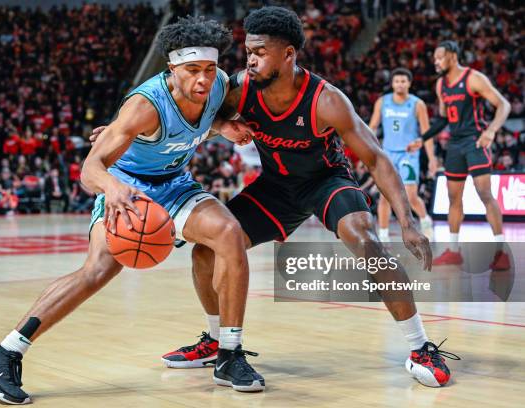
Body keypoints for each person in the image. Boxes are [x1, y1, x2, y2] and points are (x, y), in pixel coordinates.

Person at [157, 7, 459, 388]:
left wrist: (409, 223)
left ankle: (420, 346)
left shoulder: (326, 100)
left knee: (366, 241)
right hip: (276, 187)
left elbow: (377, 160)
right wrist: (132, 129)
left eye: (261, 51)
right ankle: (217, 343)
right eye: (249, 50)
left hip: (325, 181)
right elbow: (191, 118)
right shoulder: (239, 88)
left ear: (288, 54)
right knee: (206, 249)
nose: (251, 58)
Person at [0, 16, 263, 405]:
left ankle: (227, 352)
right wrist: (112, 187)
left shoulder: (219, 86)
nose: (203, 80)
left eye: (209, 69)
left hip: (174, 183)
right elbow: (89, 169)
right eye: (192, 70)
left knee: (227, 233)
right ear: (172, 69)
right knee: (99, 270)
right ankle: (4, 352)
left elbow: (211, 118)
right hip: (129, 186)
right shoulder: (144, 105)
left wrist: (223, 126)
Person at [422, 41, 511, 268]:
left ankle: (501, 253)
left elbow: (503, 105)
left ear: (452, 56)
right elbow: (443, 118)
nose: (436, 62)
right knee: (454, 199)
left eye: (439, 57)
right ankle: (453, 251)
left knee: (484, 194)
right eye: (434, 58)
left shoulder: (473, 77)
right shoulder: (441, 84)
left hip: (475, 140)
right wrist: (422, 139)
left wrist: (491, 131)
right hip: (455, 144)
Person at [368, 68, 436, 241]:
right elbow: (372, 127)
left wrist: (432, 159)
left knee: (410, 197)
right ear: (392, 83)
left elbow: (426, 133)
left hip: (409, 155)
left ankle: (425, 220)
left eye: (403, 81)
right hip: (388, 154)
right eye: (396, 81)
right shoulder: (383, 102)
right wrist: (366, 150)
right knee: (385, 196)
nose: (400, 84)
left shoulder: (417, 104)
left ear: (409, 83)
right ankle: (383, 237)